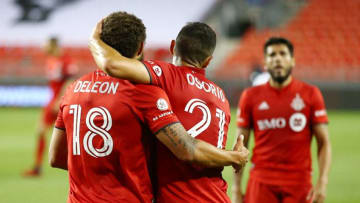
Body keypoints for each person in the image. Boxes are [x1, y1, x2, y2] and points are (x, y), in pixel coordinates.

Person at [49, 11, 248, 203]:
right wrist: (234, 156)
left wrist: (93, 40)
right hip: (212, 194)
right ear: (208, 60)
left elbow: (56, 158)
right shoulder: (219, 95)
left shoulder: (74, 89)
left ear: (172, 47)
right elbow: (188, 147)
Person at [231, 37, 332, 203]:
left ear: (292, 61)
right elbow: (240, 144)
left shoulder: (310, 94)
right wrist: (236, 188)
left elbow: (324, 143)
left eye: (283, 54)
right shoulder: (250, 96)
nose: (277, 58)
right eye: (272, 55)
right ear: (265, 63)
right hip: (261, 182)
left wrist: (322, 182)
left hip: (299, 183)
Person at [23, 36, 76, 176]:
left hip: (60, 102)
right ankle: (38, 167)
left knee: (68, 135)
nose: (43, 48)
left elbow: (70, 79)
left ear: (53, 45)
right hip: (52, 101)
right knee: (41, 131)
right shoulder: (51, 60)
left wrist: (60, 99)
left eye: (46, 45)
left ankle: (76, 165)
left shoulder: (65, 60)